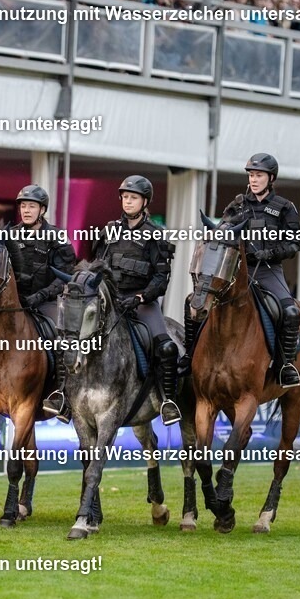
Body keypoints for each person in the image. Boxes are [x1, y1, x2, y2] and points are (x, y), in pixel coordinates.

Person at [185, 153, 300, 388]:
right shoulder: (237, 204)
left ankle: (285, 365)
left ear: (271, 178)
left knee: (290, 312)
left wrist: (268, 253)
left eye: (259, 175)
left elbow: (293, 244)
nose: (254, 180)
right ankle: (190, 357)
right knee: (195, 301)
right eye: (251, 175)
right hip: (236, 270)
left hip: (268, 270)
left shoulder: (285, 208)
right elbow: (223, 230)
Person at [92, 175, 181, 425]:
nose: (128, 202)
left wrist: (141, 297)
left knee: (166, 347)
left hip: (142, 303)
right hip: (110, 302)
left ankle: (168, 401)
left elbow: (161, 278)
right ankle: (65, 396)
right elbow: (97, 267)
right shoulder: (108, 231)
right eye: (125, 197)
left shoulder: (156, 235)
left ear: (145, 202)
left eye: (133, 198)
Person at [8, 184, 77, 422]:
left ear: (42, 209)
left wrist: (40, 296)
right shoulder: (10, 235)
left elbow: (65, 275)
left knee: (62, 339)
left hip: (46, 301)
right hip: (14, 304)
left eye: (32, 206)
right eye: (23, 206)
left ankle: (61, 395)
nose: (26, 210)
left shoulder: (57, 237)